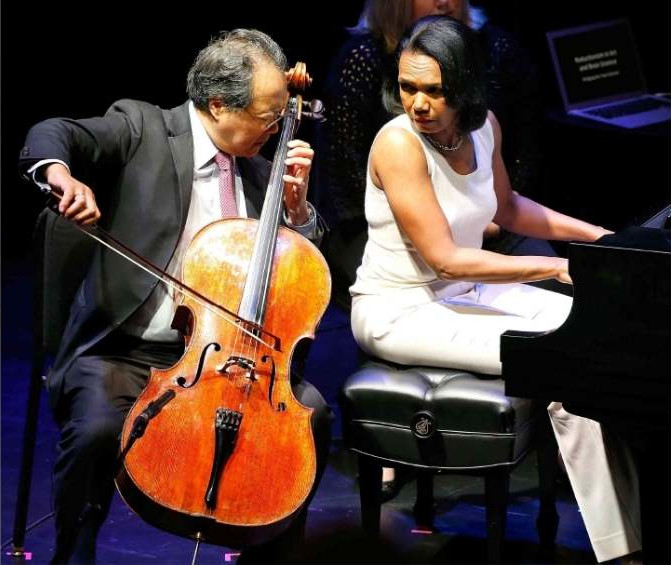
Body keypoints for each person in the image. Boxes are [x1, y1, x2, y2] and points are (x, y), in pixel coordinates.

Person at [19, 29, 332, 564]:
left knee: (313, 415)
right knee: (96, 431)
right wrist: (60, 175)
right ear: (217, 104)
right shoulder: (142, 128)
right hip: (124, 346)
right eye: (267, 116)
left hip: (231, 358)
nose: (278, 128)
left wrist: (297, 212)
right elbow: (56, 132)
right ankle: (72, 554)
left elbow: (297, 272)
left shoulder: (264, 168)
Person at [349, 15, 641, 563]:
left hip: (460, 295)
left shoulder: (484, 129)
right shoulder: (398, 145)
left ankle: (635, 525)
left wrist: (597, 236)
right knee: (563, 357)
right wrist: (553, 270)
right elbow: (447, 259)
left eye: (434, 91)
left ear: (463, 85)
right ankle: (622, 550)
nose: (417, 104)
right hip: (398, 309)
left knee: (592, 336)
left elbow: (506, 209)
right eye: (408, 88)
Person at [317, 0, 555, 312]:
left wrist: (481, 210)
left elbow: (522, 154)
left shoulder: (495, 48)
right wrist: (457, 218)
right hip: (383, 230)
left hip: (480, 221)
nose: (444, 2)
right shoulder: (364, 60)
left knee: (558, 289)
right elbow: (346, 176)